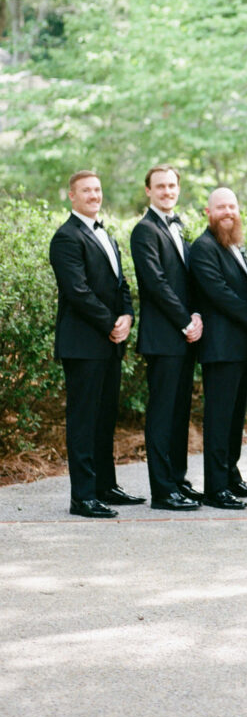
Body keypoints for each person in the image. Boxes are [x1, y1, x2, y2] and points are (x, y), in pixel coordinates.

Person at [49, 171, 144, 518]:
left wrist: (128, 317)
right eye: (86, 190)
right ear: (72, 197)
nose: (94, 195)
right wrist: (110, 324)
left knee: (105, 418)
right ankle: (83, 497)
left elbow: (121, 284)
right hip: (83, 343)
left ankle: (106, 486)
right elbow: (77, 291)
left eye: (97, 189)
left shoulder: (107, 234)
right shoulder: (66, 237)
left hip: (109, 342)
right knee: (84, 421)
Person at [130, 165, 203, 512]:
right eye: (160, 186)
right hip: (164, 337)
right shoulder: (144, 231)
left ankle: (178, 480)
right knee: (161, 416)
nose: (167, 191)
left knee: (179, 414)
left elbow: (189, 281)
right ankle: (162, 491)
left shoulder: (181, 227)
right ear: (148, 191)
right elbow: (155, 283)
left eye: (172, 185)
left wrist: (198, 316)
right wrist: (185, 321)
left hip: (186, 335)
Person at [189, 187, 247, 509]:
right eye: (221, 207)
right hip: (220, 348)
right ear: (209, 212)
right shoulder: (203, 248)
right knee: (219, 420)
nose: (228, 213)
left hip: (241, 347)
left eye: (232, 206)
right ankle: (215, 488)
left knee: (235, 418)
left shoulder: (235, 245)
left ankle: (231, 476)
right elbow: (218, 292)